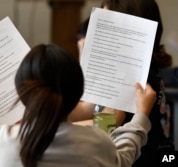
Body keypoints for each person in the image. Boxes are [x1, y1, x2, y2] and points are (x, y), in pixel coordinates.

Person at [0, 43, 156, 167]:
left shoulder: (1, 142)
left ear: (21, 93)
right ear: (78, 93)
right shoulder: (96, 144)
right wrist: (141, 114)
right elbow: (124, 157)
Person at [69, 0, 174, 166]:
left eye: (106, 24)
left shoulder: (133, 76)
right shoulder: (145, 69)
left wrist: (50, 127)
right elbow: (86, 108)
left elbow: (105, 124)